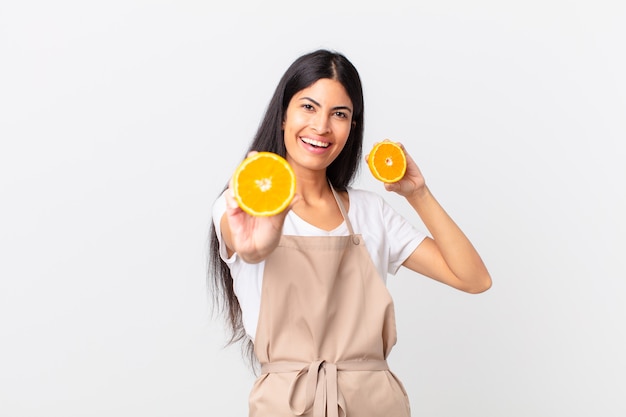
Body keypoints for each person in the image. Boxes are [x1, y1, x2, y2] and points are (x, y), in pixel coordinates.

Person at [209, 49, 491, 417]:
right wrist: (260, 241)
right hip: (286, 405)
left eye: (339, 114)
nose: (322, 126)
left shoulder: (371, 212)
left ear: (352, 127)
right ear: (283, 116)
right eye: (308, 107)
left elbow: (474, 279)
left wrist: (418, 194)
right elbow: (249, 246)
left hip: (375, 404)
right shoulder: (243, 206)